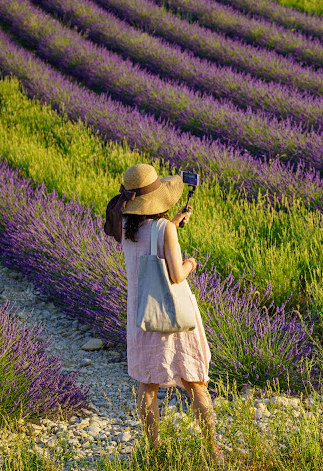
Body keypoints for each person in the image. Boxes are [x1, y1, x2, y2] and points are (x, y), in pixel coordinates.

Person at [111, 163, 219, 460]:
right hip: (174, 317)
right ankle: (213, 450)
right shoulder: (165, 229)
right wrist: (192, 262)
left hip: (143, 315)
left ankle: (155, 450)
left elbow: (149, 241)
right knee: (195, 382)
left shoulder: (126, 229)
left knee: (148, 386)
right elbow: (176, 275)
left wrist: (170, 224)